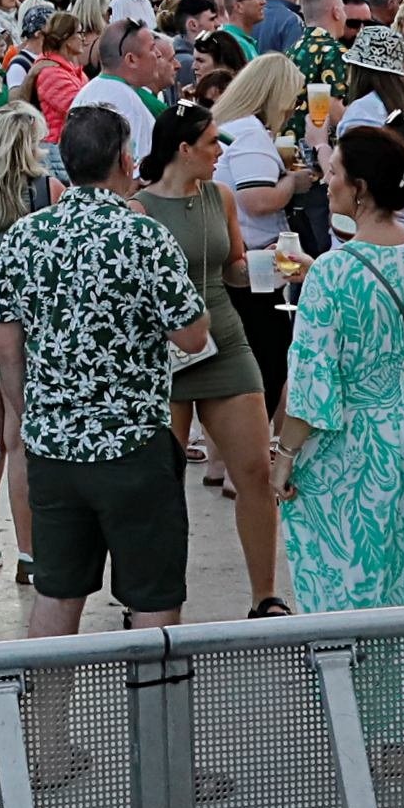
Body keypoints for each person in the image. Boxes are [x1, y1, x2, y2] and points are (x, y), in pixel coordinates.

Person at [0, 102, 209, 757]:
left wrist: (29, 416)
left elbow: (5, 345)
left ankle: (46, 749)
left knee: (56, 596)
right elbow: (191, 335)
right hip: (133, 446)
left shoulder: (24, 237)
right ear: (123, 160)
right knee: (153, 601)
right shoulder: (142, 235)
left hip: (54, 450)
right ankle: (161, 753)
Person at [274, 121, 404, 615]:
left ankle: (353, 668)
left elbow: (312, 388)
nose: (326, 180)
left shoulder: (333, 272)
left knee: (351, 581)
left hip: (359, 445)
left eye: (334, 171)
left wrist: (284, 456)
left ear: (359, 188)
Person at [137, 99, 286, 614]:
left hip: (224, 339)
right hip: (166, 352)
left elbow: (232, 268)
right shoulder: (138, 209)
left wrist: (268, 267)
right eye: (211, 144)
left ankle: (265, 594)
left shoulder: (220, 196)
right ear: (184, 149)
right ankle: (150, 595)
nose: (220, 152)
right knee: (160, 483)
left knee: (255, 471)